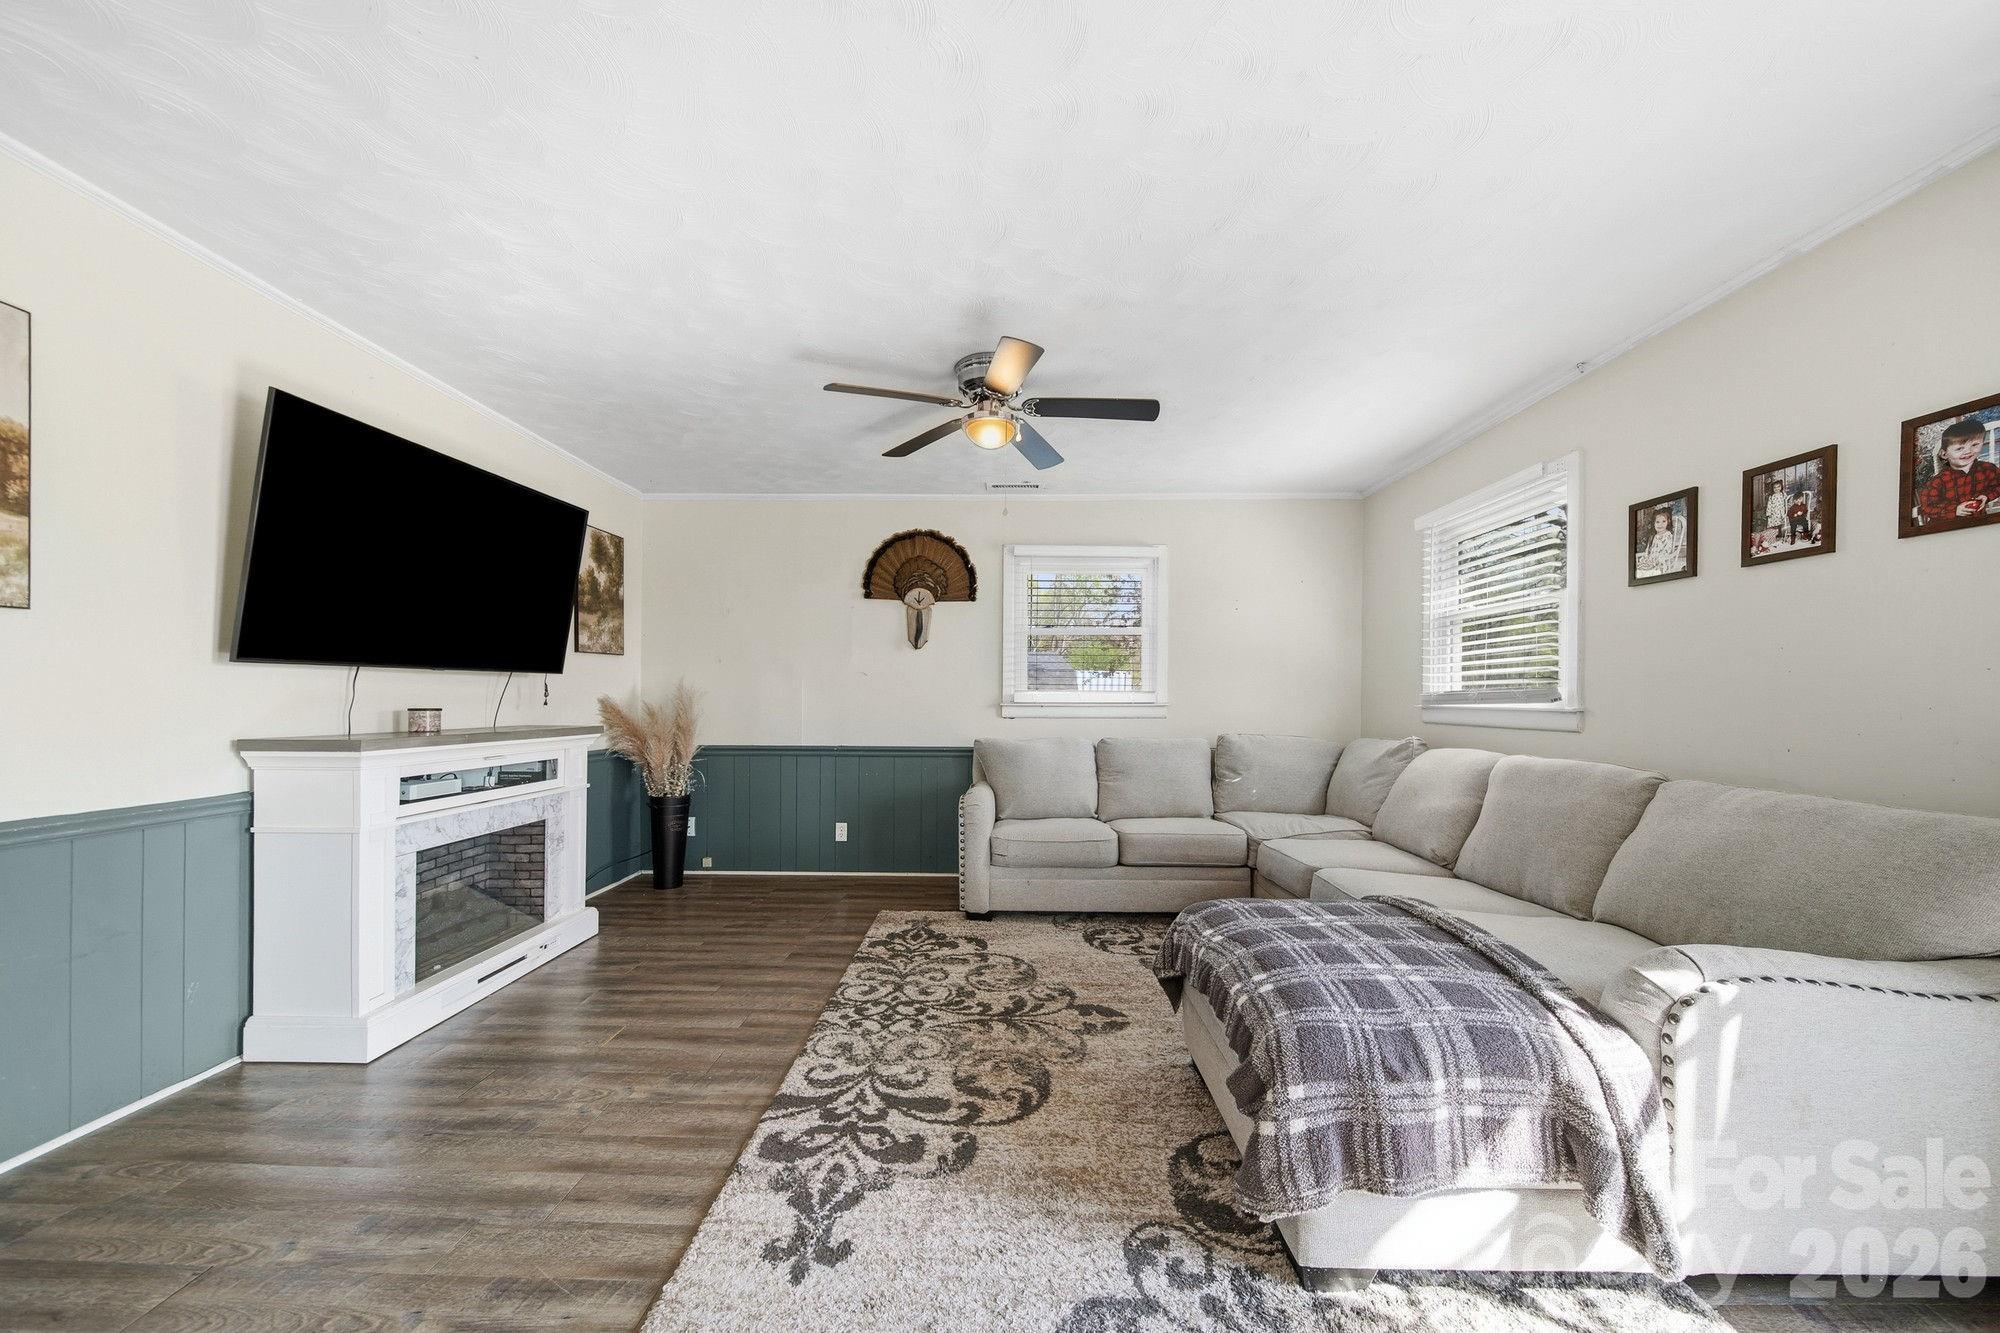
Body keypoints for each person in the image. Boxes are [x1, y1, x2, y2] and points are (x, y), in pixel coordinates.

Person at [1917, 416, 2000, 525]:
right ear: (1944, 454)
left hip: (1978, 525)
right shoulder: (1938, 481)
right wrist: (1954, 510)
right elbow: (1926, 506)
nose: (1968, 451)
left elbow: (1998, 485)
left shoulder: (1987, 469)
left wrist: (1987, 496)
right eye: (1959, 448)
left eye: (1974, 445)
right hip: (1946, 528)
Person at [1637, 506, 1683, 575]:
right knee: (1639, 571)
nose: (1660, 524)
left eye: (1663, 521)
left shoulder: (1668, 535)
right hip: (1652, 562)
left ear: (1668, 522)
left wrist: (1656, 560)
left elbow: (1667, 551)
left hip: (1662, 563)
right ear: (1654, 523)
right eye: (1657, 522)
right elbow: (1649, 550)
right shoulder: (1654, 536)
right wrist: (1646, 557)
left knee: (1648, 573)